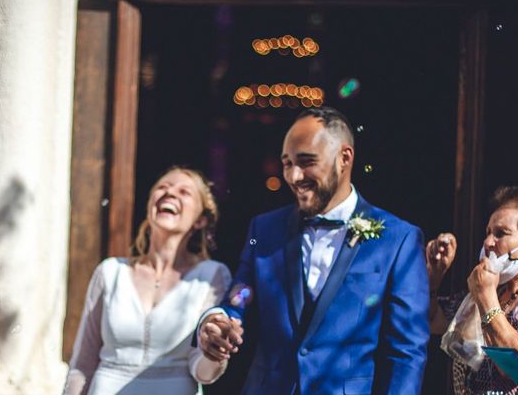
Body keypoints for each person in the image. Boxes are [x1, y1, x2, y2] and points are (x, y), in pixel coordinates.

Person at [198, 106, 430, 394]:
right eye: (286, 163)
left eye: (307, 162)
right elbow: (239, 298)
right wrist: (218, 320)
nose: (294, 176)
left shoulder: (399, 240)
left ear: (344, 158)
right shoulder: (263, 231)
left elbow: (406, 353)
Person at [64, 167, 231, 395]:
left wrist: (214, 354)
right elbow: (82, 366)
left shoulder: (212, 277)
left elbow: (203, 372)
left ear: (200, 220)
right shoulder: (110, 272)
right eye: (162, 187)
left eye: (184, 192)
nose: (170, 193)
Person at [428, 186, 518, 394]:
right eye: (488, 233)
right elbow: (432, 320)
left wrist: (486, 298)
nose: (488, 242)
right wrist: (434, 277)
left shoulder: (485, 294)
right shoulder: (484, 295)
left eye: (501, 233)